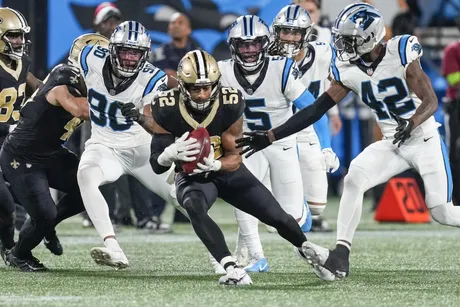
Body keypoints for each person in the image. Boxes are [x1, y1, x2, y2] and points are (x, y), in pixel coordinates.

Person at [236, 3, 460, 281]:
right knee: (354, 178)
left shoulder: (400, 51)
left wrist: (412, 122)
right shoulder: (347, 68)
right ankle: (341, 254)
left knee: (443, 213)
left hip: (423, 138)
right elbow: (315, 110)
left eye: (350, 39)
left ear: (370, 37)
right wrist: (270, 136)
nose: (343, 45)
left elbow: (431, 101)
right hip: (393, 142)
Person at [126, 49, 312, 285]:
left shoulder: (231, 101)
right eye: (196, 88)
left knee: (277, 217)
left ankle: (308, 249)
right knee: (193, 205)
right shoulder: (166, 105)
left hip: (226, 170)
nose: (203, 94)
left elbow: (235, 157)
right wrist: (168, 155)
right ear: (183, 86)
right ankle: (230, 265)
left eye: (207, 87)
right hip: (192, 176)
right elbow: (156, 166)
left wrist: (215, 163)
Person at [215, 14, 330, 273]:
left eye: (255, 44)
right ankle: (256, 257)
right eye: (243, 45)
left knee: (293, 220)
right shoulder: (222, 71)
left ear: (265, 43)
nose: (249, 51)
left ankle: (298, 214)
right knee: (241, 198)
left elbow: (312, 109)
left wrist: (325, 146)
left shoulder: (281, 68)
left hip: (280, 141)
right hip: (246, 143)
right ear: (233, 46)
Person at [76, 21, 182, 269]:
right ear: (112, 49)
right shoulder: (89, 56)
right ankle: (113, 248)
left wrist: (139, 116)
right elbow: (75, 75)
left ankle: (222, 257)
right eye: (125, 51)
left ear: (144, 55)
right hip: (105, 146)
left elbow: (153, 122)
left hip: (142, 149)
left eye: (136, 53)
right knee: (85, 175)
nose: (130, 58)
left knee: (183, 198)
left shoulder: (151, 77)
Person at [0, 34, 106, 272]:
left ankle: (45, 227)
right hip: (22, 156)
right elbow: (79, 109)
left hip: (51, 152)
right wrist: (118, 108)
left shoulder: (98, 83)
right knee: (45, 213)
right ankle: (20, 253)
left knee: (89, 186)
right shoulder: (65, 76)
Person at [270, 4, 339, 232]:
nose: (289, 38)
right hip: (276, 135)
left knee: (317, 207)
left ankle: (292, 206)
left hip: (309, 130)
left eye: (295, 32)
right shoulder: (266, 59)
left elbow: (337, 86)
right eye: (285, 31)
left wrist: (326, 146)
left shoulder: (323, 53)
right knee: (273, 219)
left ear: (306, 34)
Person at [0, 7, 42, 265]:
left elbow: (35, 85)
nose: (19, 41)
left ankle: (9, 250)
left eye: (21, 36)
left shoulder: (20, 62)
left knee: (13, 207)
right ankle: (10, 249)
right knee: (4, 203)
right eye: (13, 36)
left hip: (10, 143)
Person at [151, 13, 200, 89]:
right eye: (173, 23)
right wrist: (189, 80)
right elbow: (165, 78)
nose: (176, 26)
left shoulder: (198, 53)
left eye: (180, 23)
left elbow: (201, 79)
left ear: (189, 30)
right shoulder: (160, 51)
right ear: (168, 29)